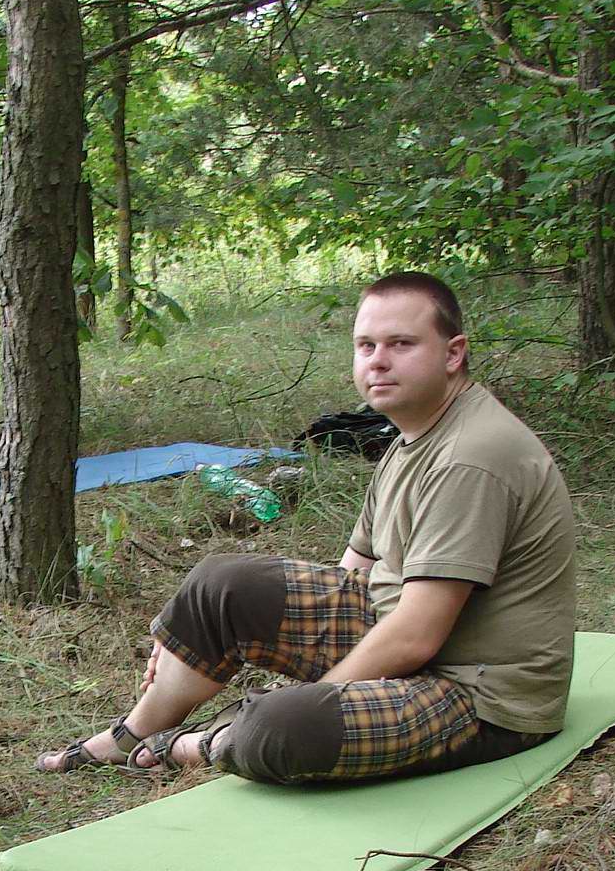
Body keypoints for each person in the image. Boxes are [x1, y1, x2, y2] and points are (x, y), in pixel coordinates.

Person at [36, 271, 576, 783]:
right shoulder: (412, 435)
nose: (378, 361)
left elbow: (416, 635)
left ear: (453, 353)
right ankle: (133, 733)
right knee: (220, 584)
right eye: (366, 346)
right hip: (410, 644)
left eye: (401, 344)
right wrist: (192, 628)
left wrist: (323, 694)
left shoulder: (470, 457)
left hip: (481, 695)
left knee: (286, 724)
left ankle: (195, 744)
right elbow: (350, 576)